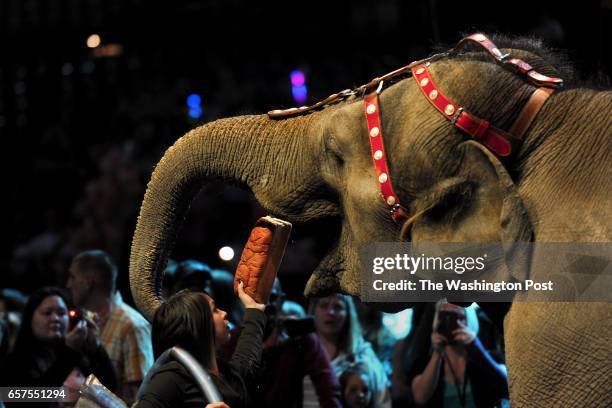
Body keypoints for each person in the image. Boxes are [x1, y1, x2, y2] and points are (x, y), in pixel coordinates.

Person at [136, 281, 265, 407]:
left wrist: (254, 309)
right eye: (215, 310)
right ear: (197, 325)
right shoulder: (172, 377)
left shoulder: (225, 372)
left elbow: (246, 362)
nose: (224, 313)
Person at [225, 278, 342, 408]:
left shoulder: (299, 338)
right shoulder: (232, 338)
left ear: (281, 301)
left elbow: (329, 388)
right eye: (258, 298)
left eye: (272, 297)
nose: (266, 304)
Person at [0, 287, 116, 405]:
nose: (55, 318)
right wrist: (69, 352)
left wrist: (96, 346)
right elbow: (27, 401)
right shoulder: (15, 362)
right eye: (47, 313)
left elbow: (111, 389)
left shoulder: (80, 354)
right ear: (30, 318)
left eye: (61, 313)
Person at [66, 249, 154, 404]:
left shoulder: (132, 326)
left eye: (72, 277)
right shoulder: (84, 323)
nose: (68, 284)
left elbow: (139, 398)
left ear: (88, 282)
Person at [393, 302, 508, 407]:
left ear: (469, 321)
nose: (450, 322)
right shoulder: (423, 364)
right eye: (444, 316)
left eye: (457, 316)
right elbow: (420, 398)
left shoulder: (489, 358)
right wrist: (437, 353)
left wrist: (476, 347)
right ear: (436, 322)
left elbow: (507, 389)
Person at [308, 294, 389, 407]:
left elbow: (383, 402)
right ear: (313, 311)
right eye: (324, 305)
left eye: (338, 307)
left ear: (348, 314)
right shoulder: (300, 353)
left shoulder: (364, 358)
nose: (330, 312)